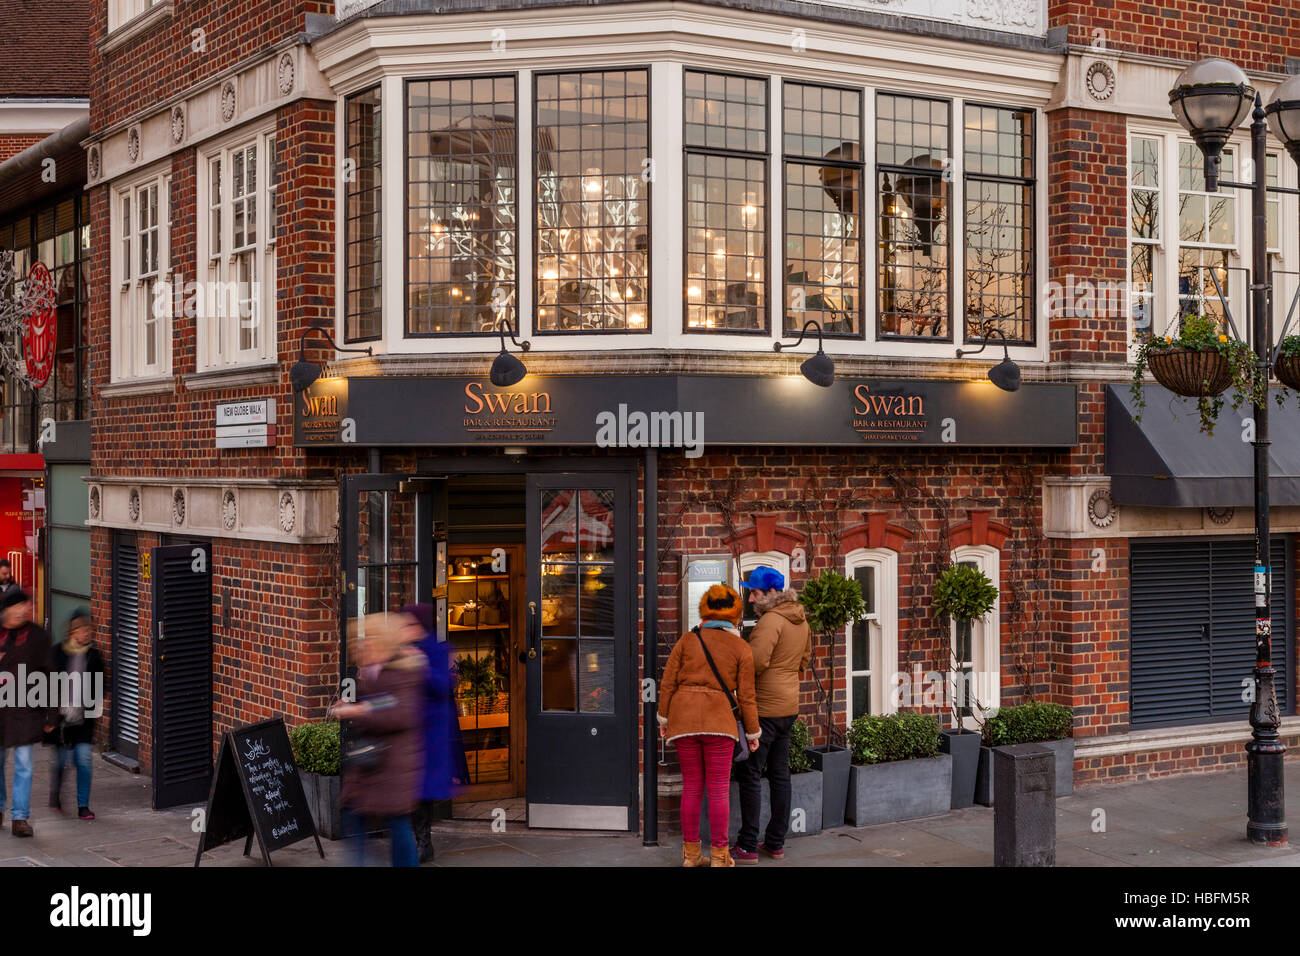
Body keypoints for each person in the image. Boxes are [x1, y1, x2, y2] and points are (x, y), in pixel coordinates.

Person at [658, 584, 760, 867]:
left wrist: (664, 718)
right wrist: (752, 732)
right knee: (718, 791)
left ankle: (691, 856)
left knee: (691, 787)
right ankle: (719, 856)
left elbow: (668, 682)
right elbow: (747, 696)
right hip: (720, 723)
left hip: (684, 720)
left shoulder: (687, 640)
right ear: (735, 614)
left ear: (704, 609)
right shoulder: (741, 647)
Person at [332, 615, 427, 867]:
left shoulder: (401, 672)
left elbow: (400, 712)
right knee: (355, 816)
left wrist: (361, 710)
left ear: (384, 642)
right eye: (361, 641)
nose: (363, 646)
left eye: (369, 640)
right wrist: (352, 705)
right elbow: (378, 703)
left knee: (397, 824)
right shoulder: (372, 671)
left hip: (393, 764)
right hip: (372, 763)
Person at [732, 566, 811, 864]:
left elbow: (755, 663)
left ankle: (747, 845)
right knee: (779, 774)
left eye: (754, 593)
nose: (751, 599)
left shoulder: (770, 621)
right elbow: (804, 661)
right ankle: (776, 842)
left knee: (750, 773)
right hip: (788, 706)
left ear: (772, 592)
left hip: (764, 708)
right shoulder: (800, 619)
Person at [396, 603, 466, 864]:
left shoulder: (438, 649)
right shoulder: (403, 649)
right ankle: (416, 840)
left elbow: (444, 685)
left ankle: (423, 842)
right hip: (410, 727)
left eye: (408, 624)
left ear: (418, 626)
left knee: (420, 787)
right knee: (413, 786)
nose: (404, 629)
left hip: (430, 730)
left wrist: (419, 665)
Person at [0, 589, 53, 837]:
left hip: (25, 712)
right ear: (6, 610)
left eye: (26, 605)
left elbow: (51, 676)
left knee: (24, 766)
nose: (24, 610)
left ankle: (20, 817)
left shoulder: (37, 636)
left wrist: (52, 714)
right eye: (19, 606)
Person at [47, 608, 105, 820]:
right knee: (61, 761)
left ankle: (83, 806)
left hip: (83, 720)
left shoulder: (93, 656)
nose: (85, 634)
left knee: (83, 759)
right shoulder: (58, 652)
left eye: (88, 630)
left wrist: (95, 708)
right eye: (81, 630)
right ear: (72, 632)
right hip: (61, 720)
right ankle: (56, 795)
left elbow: (101, 686)